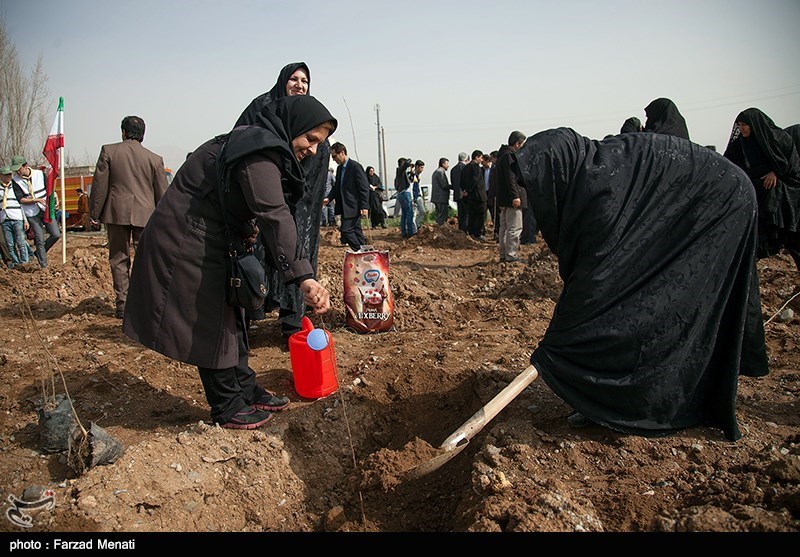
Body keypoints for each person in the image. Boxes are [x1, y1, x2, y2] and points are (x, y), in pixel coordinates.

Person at [513, 127, 769, 441]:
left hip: (721, 202)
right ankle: (618, 394)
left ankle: (660, 400)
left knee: (674, 301)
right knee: (641, 305)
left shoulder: (600, 192)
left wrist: (558, 346)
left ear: (557, 172)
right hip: (697, 201)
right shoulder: (589, 175)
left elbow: (595, 287)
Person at [123, 95, 336, 430]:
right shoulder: (259, 152)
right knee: (210, 323)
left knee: (232, 317)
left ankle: (245, 388)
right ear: (293, 126)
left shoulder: (260, 143)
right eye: (310, 139)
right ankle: (227, 405)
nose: (312, 149)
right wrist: (304, 277)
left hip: (213, 237)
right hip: (186, 239)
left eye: (319, 144)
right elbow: (274, 216)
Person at [234, 62, 330, 339]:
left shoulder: (313, 114)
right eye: (294, 79)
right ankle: (251, 311)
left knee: (295, 250)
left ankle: (292, 321)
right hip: (264, 192)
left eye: (305, 81)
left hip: (301, 201)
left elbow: (317, 157)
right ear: (282, 81)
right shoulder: (262, 107)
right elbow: (244, 144)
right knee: (258, 250)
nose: (300, 85)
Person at [89, 116, 169, 318]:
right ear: (143, 134)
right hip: (146, 215)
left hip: (116, 213)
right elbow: (162, 193)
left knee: (118, 259)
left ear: (123, 132)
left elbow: (100, 186)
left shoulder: (109, 151)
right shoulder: (154, 158)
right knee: (146, 259)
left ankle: (123, 305)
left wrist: (94, 214)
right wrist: (166, 220)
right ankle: (145, 303)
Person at [723, 108, 800, 270]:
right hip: (758, 198)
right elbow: (729, 165)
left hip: (782, 200)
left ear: (755, 125)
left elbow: (793, 166)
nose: (741, 128)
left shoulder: (778, 140)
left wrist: (775, 172)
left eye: (744, 125)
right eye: (739, 125)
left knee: (793, 240)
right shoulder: (740, 146)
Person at [10, 155, 61, 268]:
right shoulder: (16, 181)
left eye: (19, 169)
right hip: (32, 213)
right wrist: (36, 200)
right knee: (39, 239)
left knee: (56, 234)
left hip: (45, 209)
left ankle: (38, 253)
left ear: (26, 166)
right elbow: (21, 199)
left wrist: (55, 196)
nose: (17, 172)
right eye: (15, 170)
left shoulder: (39, 174)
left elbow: (49, 188)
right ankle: (43, 265)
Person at [324, 142, 369, 251]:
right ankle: (365, 254)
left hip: (354, 205)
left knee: (346, 230)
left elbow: (364, 188)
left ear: (342, 153)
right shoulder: (340, 169)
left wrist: (364, 206)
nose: (334, 159)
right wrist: (328, 198)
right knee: (357, 231)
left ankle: (358, 251)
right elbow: (337, 187)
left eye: (334, 156)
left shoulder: (355, 167)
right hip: (345, 206)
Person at [495, 131, 527, 263]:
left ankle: (504, 254)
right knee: (514, 227)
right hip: (511, 198)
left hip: (503, 198)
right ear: (517, 144)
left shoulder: (501, 155)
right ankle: (511, 255)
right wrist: (516, 196)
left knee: (504, 227)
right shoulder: (510, 156)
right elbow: (511, 178)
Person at [1, 165, 30, 269]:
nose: (8, 176)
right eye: (6, 175)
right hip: (5, 219)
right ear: (1, 176)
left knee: (21, 242)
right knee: (10, 245)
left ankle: (25, 262)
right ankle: (16, 263)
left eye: (9, 174)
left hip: (17, 218)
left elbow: (22, 204)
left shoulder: (15, 186)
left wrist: (25, 220)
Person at [461, 150, 487, 241]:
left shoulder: (465, 168)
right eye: (481, 157)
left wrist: (465, 190)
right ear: (476, 157)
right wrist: (468, 190)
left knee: (472, 215)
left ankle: (471, 232)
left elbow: (462, 181)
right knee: (481, 215)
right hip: (478, 195)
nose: (481, 160)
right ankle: (478, 234)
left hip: (470, 197)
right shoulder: (475, 167)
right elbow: (475, 180)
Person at [394, 157, 416, 238]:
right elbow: (406, 163)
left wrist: (411, 171)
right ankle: (410, 232)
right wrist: (409, 162)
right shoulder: (400, 170)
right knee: (410, 213)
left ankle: (404, 233)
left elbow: (411, 179)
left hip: (402, 194)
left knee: (404, 214)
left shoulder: (401, 174)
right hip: (405, 194)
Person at [451, 152, 469, 232]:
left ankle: (461, 230)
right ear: (466, 159)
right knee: (466, 214)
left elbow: (453, 182)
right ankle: (465, 231)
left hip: (457, 194)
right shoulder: (466, 168)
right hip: (465, 194)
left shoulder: (453, 169)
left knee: (461, 213)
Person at [430, 157, 451, 226]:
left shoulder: (437, 172)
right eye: (447, 164)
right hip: (441, 198)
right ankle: (439, 230)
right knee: (442, 216)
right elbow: (444, 185)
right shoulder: (440, 172)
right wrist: (454, 186)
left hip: (438, 198)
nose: (448, 165)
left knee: (440, 215)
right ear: (443, 164)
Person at [411, 160, 426, 229]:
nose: (422, 170)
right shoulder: (413, 176)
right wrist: (413, 198)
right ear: (417, 167)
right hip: (415, 197)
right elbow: (412, 187)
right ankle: (414, 228)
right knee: (415, 214)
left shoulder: (418, 176)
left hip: (418, 196)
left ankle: (416, 225)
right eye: (421, 168)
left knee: (422, 212)